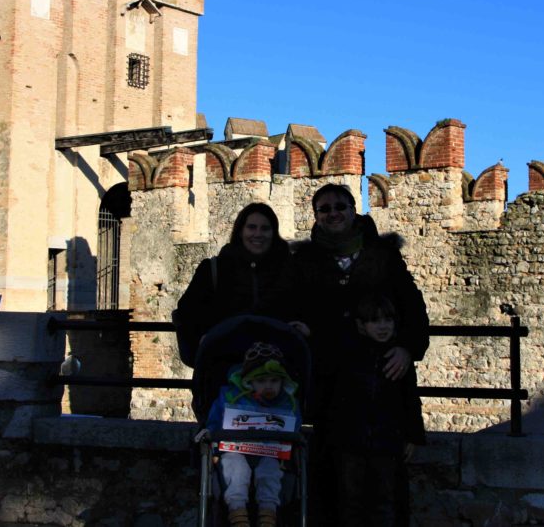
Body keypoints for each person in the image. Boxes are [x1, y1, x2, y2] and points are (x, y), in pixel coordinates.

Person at [288, 183, 429, 522]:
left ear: (354, 210)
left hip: (380, 385)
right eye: (324, 209)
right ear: (316, 216)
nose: (333, 213)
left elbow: (413, 310)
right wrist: (303, 328)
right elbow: (292, 307)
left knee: (385, 494)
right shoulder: (304, 261)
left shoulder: (383, 255)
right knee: (335, 488)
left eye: (340, 206)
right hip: (331, 386)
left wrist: (407, 349)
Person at [327, 294, 424, 526]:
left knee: (384, 501)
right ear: (361, 325)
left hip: (386, 441)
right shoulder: (349, 357)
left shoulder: (398, 359)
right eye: (375, 321)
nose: (383, 327)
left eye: (387, 321)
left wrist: (412, 435)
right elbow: (336, 401)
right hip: (352, 440)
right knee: (351, 502)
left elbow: (410, 398)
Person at [173, 203, 302, 367]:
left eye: (265, 228)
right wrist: (204, 337)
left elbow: (304, 306)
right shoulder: (215, 269)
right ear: (241, 231)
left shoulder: (290, 269)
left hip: (277, 371)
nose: (258, 234)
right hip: (224, 365)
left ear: (273, 233)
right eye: (252, 227)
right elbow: (188, 311)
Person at [203, 342, 301, 527]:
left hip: (271, 453)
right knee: (234, 469)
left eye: (274, 381)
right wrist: (214, 448)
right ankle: (238, 513)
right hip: (235, 450)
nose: (268, 386)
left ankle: (267, 514)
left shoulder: (289, 403)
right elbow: (214, 423)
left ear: (282, 382)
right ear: (249, 381)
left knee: (270, 472)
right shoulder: (231, 397)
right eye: (261, 381)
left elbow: (294, 428)